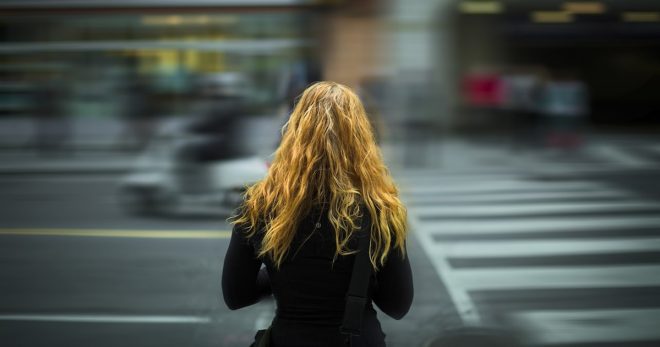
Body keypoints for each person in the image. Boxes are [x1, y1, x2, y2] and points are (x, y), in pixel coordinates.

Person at [222, 81, 414, 347]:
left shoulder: (260, 203)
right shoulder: (378, 208)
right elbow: (398, 305)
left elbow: (236, 295)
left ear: (293, 132)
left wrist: (283, 274)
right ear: (361, 137)